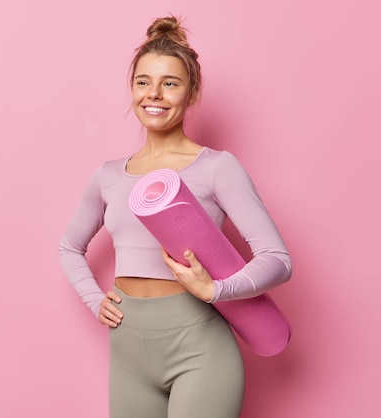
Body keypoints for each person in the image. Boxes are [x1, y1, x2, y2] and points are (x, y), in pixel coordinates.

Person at [58, 15, 292, 418]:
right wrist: (95, 300)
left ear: (191, 92)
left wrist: (217, 290)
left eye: (171, 83)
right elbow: (69, 247)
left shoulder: (217, 167)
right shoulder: (109, 175)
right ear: (132, 89)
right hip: (128, 350)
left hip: (199, 346)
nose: (155, 94)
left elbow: (278, 260)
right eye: (143, 81)